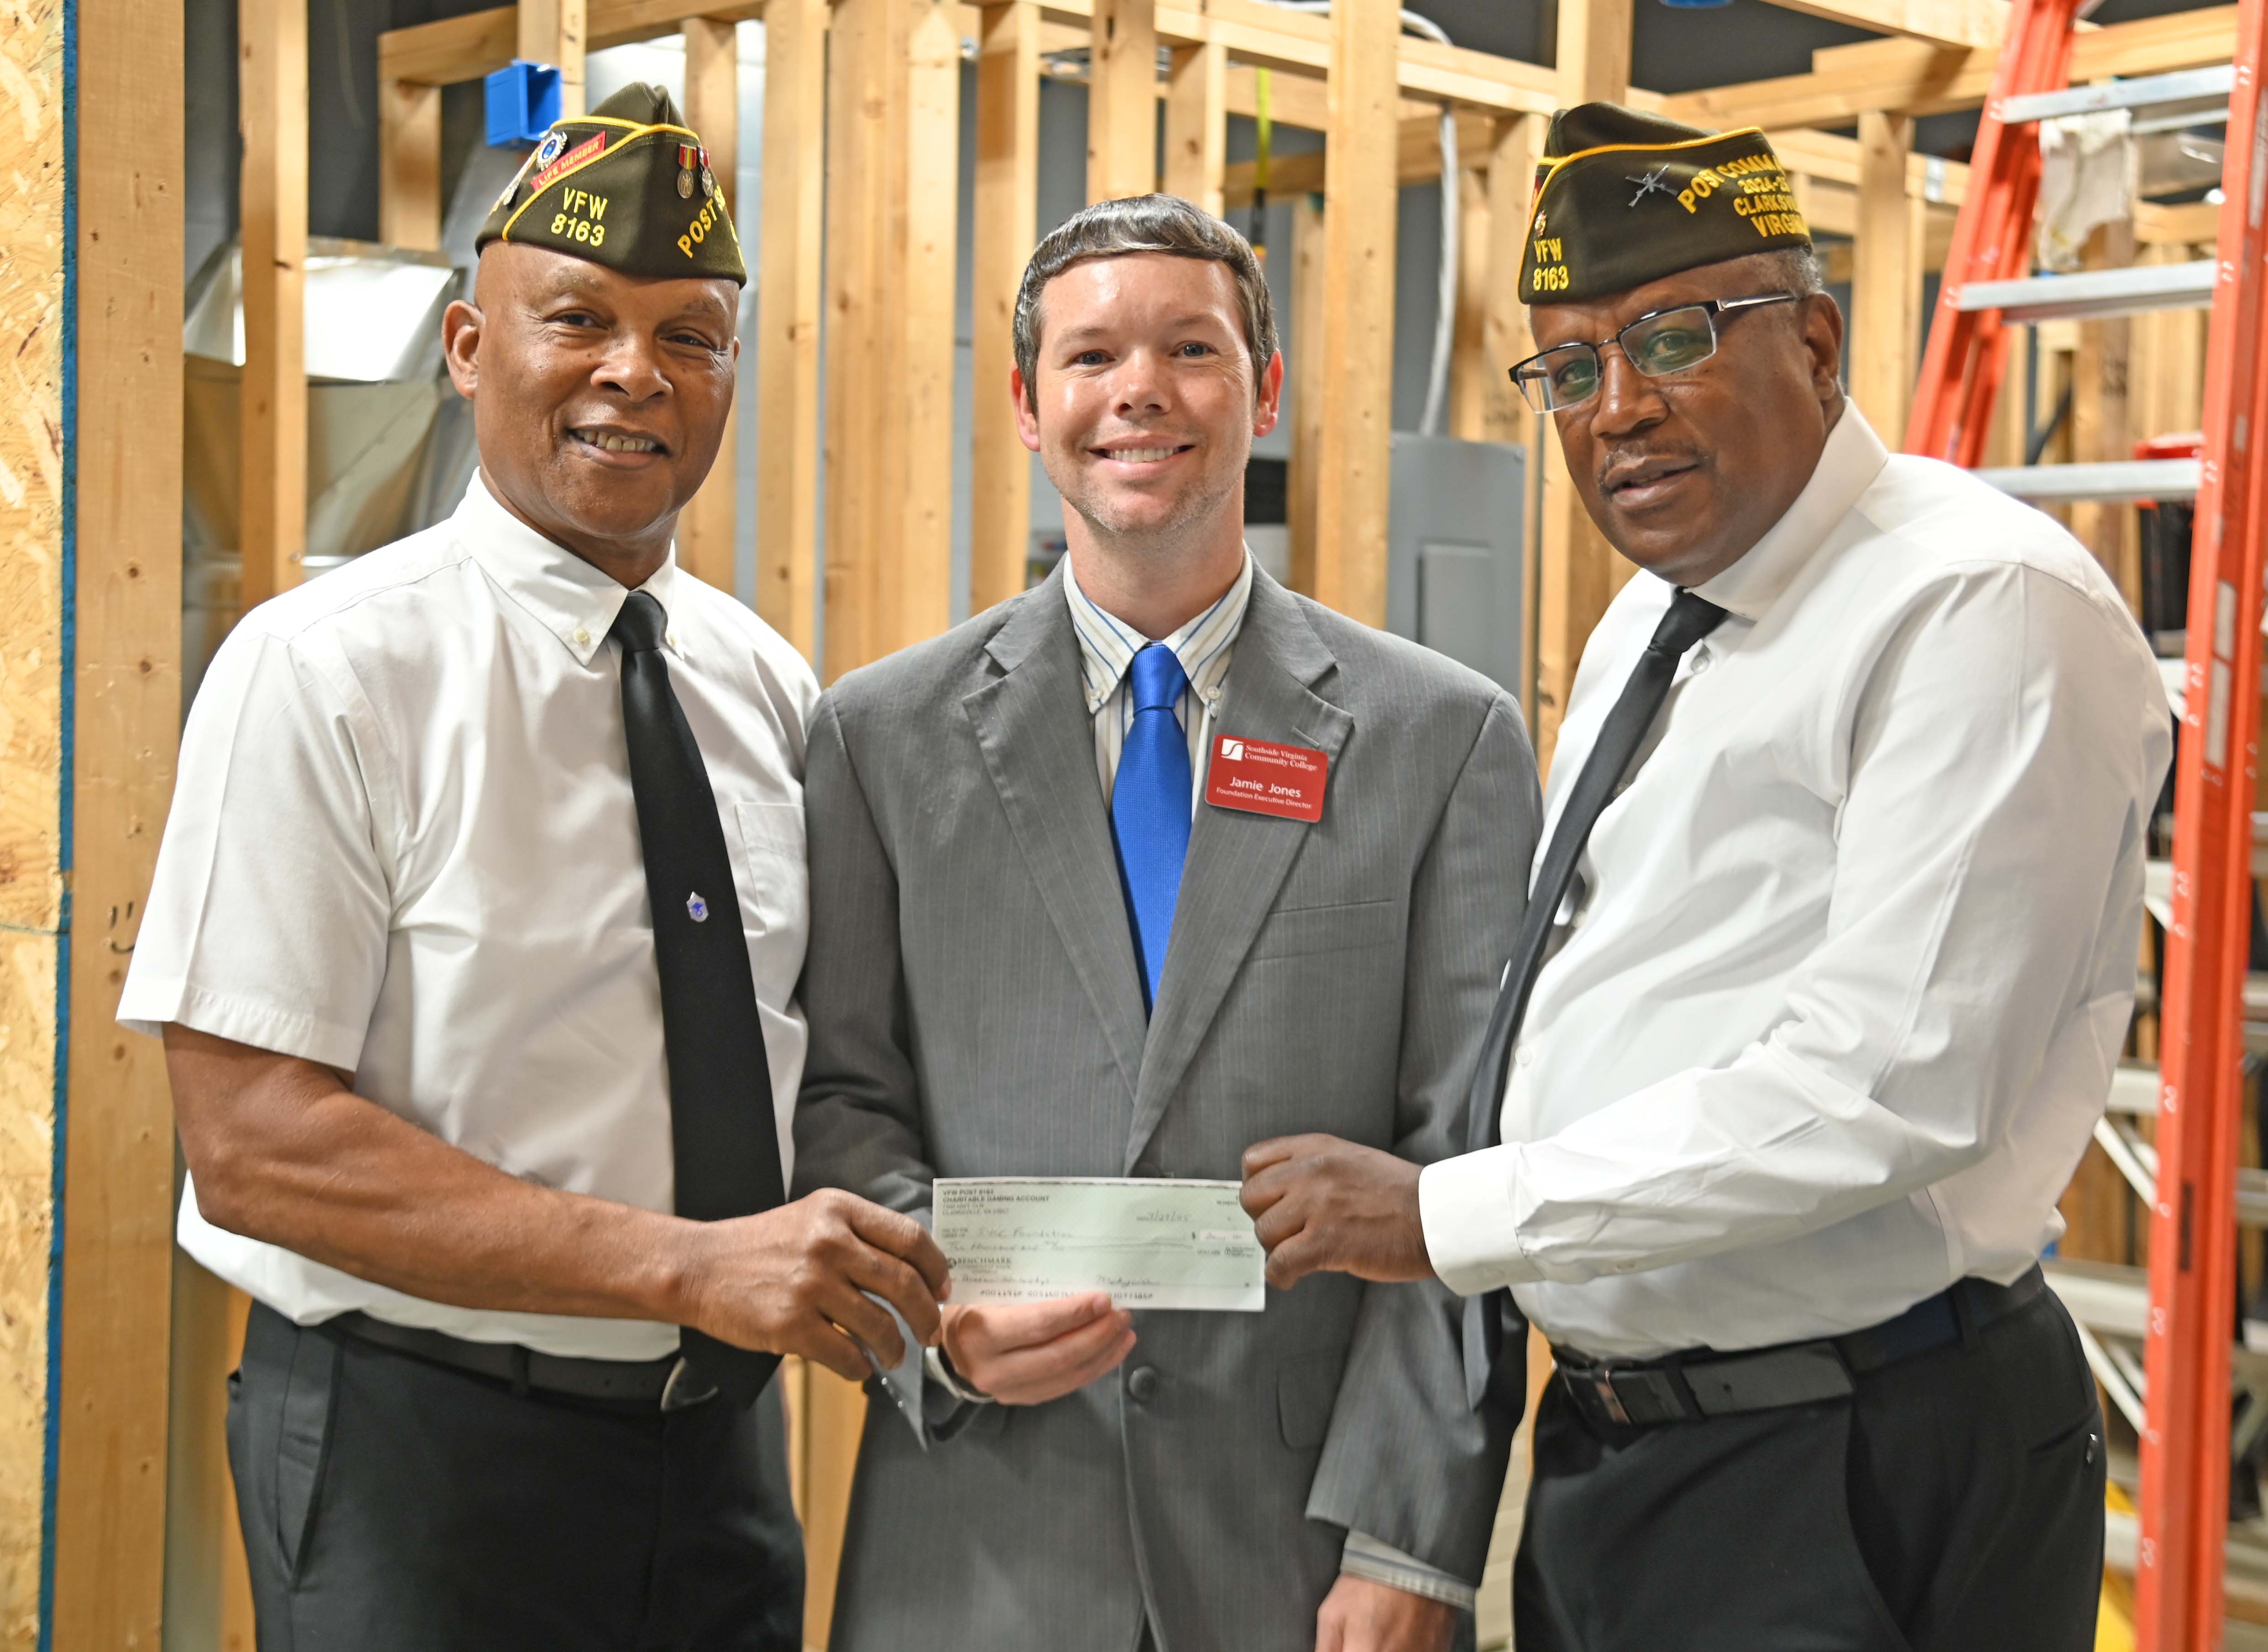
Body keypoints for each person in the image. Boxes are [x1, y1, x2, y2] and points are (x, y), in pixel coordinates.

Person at [1240, 105, 2171, 1652]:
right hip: (1630, 1452)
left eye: (1670, 339)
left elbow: (1888, 1084)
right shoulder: (1657, 615)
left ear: (1814, 340)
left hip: (1851, 1448)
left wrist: (1447, 1212)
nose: (1616, 409)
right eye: (1567, 369)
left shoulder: (1973, 605)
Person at [118, 85, 947, 1652]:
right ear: (466, 348)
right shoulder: (324, 671)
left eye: (690, 337)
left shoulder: (765, 688)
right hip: (421, 1460)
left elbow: (817, 1063)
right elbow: (255, 1147)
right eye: (578, 320)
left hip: (715, 1459)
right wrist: (686, 1269)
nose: (636, 373)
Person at [790, 194, 1540, 1652]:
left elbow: (1466, 1158)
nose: (1139, 390)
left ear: (1263, 391)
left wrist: (1406, 1542)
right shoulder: (878, 738)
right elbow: (843, 1101)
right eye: (1091, 357)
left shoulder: (1440, 739)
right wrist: (935, 1322)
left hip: (1306, 1550)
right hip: (982, 1537)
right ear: (1029, 407)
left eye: (1190, 349)